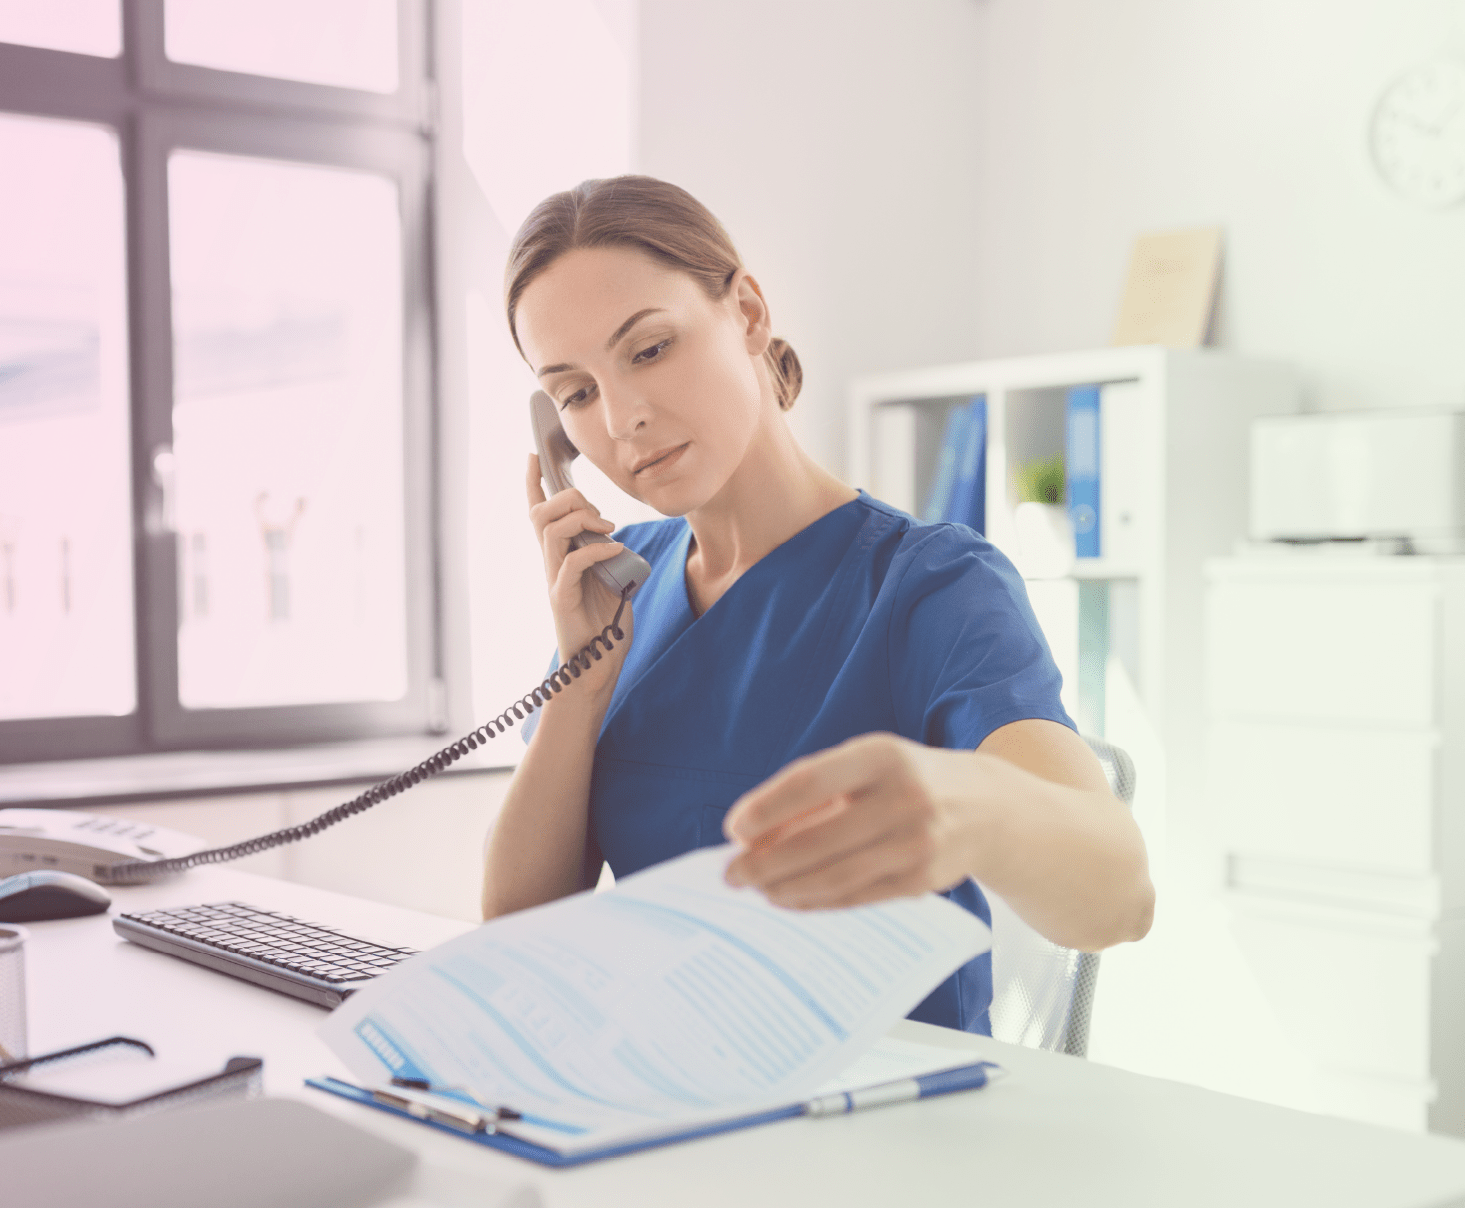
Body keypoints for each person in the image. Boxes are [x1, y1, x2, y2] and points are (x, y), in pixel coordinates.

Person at [481, 175, 1153, 1034]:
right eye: (574, 392)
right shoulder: (616, 592)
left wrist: (970, 806)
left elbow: (1118, 898)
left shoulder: (929, 587)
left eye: (648, 350)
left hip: (883, 1124)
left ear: (748, 314)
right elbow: (516, 938)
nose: (622, 420)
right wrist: (580, 681)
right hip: (677, 1097)